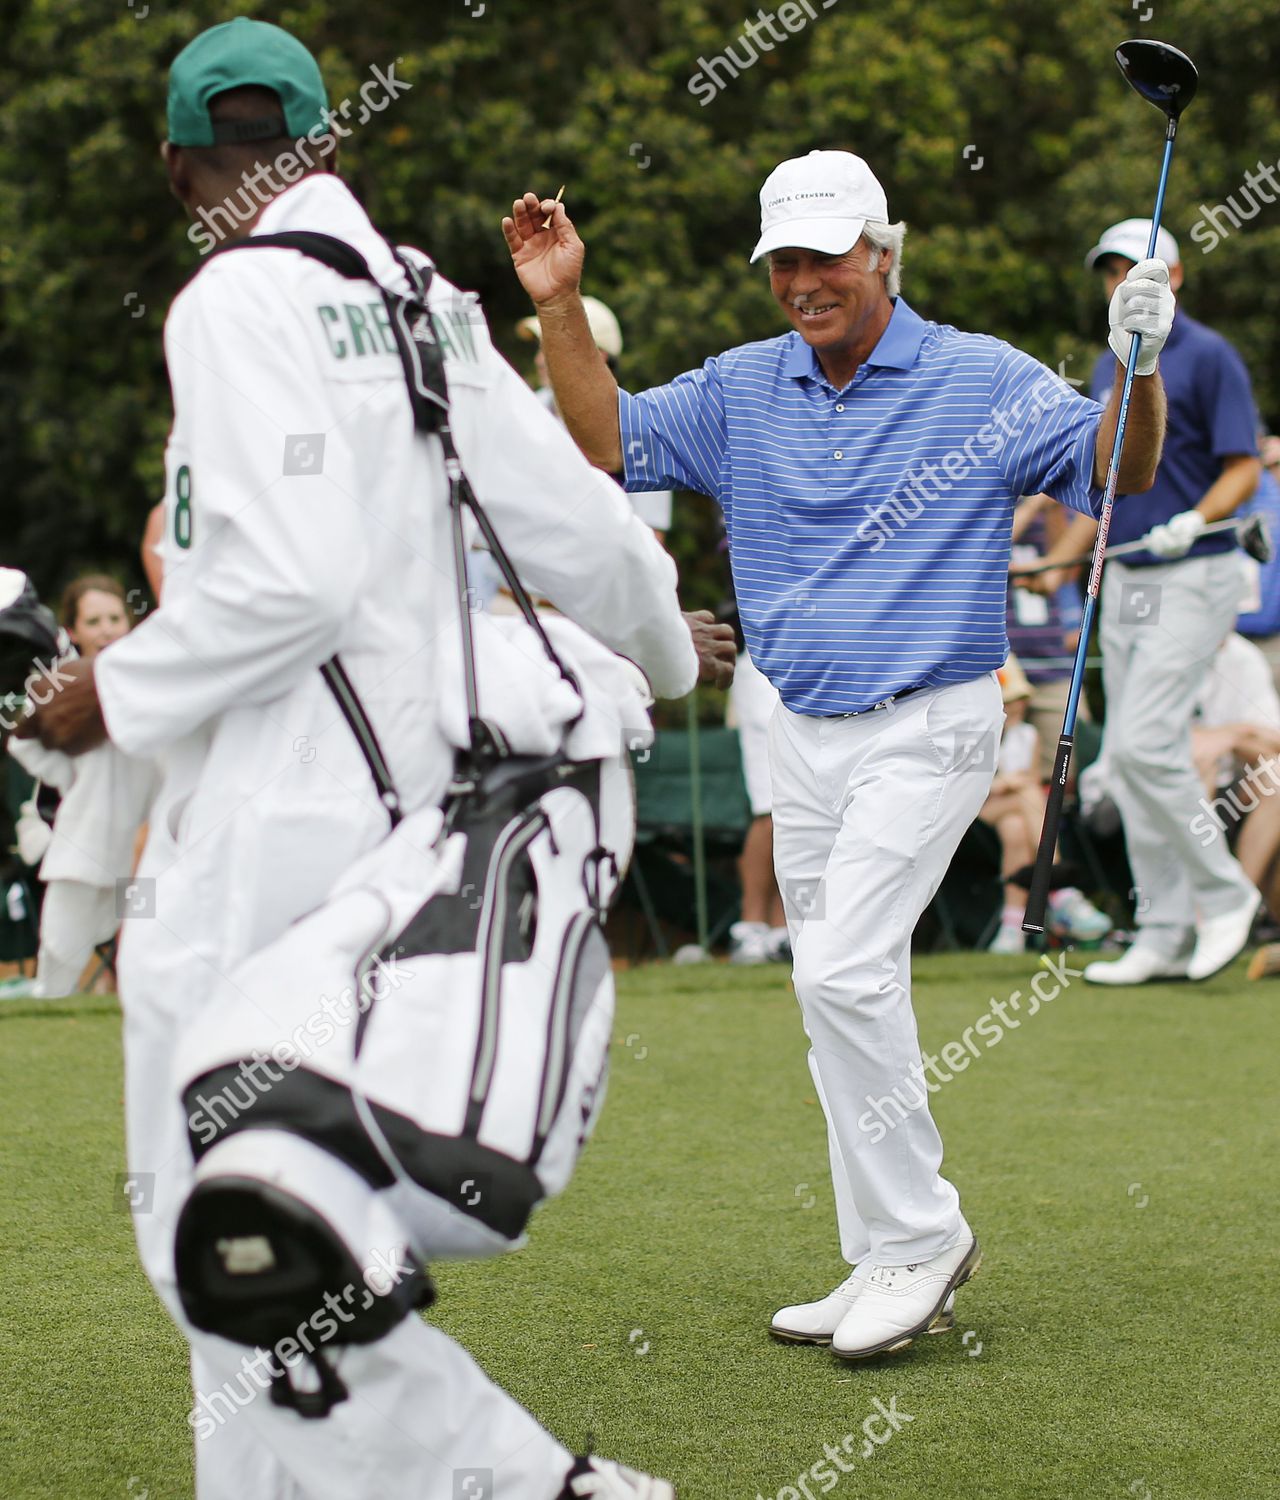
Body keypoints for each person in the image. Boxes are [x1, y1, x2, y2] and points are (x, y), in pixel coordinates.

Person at [19, 18, 731, 1499]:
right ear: (328, 140)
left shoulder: (232, 299)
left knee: (221, 1238)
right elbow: (590, 533)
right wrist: (667, 664)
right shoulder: (420, 297)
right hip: (418, 828)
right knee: (293, 1225)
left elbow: (288, 580)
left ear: (173, 166)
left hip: (263, 828)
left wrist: (113, 689)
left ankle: (532, 1486)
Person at [502, 148, 1168, 1359]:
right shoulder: (741, 386)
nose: (803, 280)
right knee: (840, 997)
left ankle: (922, 1236)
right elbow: (603, 440)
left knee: (839, 973)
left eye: (825, 255)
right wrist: (556, 300)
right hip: (795, 724)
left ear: (882, 253)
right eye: (784, 260)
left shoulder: (978, 378)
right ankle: (876, 1253)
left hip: (929, 720)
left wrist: (1138, 363)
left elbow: (1115, 472)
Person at [1034, 220, 1263, 985]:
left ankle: (1226, 895)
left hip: (1196, 571)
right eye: (1110, 272)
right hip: (1128, 579)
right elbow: (1104, 484)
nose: (1121, 285)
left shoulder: (1209, 355)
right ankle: (1162, 929)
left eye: (1137, 270)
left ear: (1176, 276)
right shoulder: (1110, 361)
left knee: (1142, 744)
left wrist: (1194, 519)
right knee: (1127, 765)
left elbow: (1242, 469)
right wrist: (1056, 566)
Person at [7, 575, 158, 998]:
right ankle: (49, 1013)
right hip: (81, 841)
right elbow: (23, 743)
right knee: (60, 947)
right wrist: (71, 782)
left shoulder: (157, 681)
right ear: (73, 631)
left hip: (148, 848)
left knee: (143, 945)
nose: (107, 628)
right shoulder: (59, 686)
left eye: (114, 617)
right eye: (94, 620)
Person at [979, 655, 1109, 955]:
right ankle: (1060, 888)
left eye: (1018, 700)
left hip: (1012, 814)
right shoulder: (978, 736)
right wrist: (1004, 784)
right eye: (1006, 701)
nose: (1013, 707)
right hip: (979, 813)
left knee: (1015, 830)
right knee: (1028, 792)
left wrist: (1017, 785)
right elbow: (967, 789)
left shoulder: (1028, 735)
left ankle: (1012, 927)